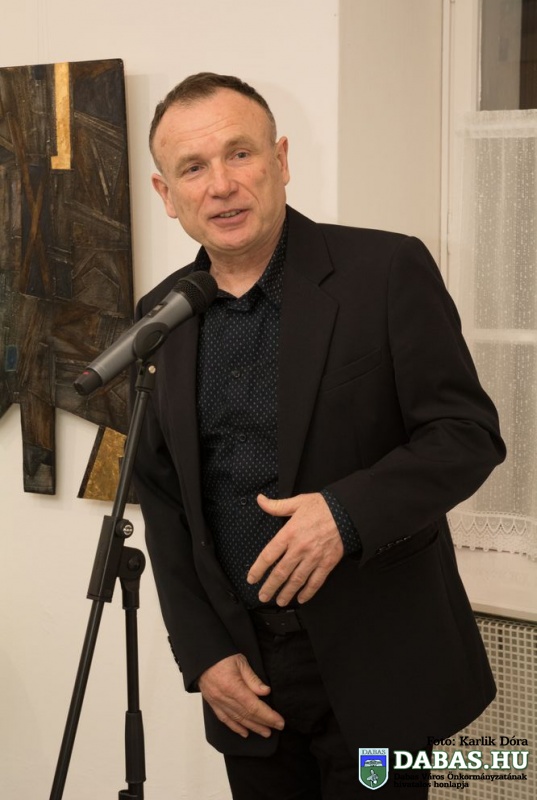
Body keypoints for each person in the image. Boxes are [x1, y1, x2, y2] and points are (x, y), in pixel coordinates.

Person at [132, 72, 506, 799]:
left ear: (280, 160)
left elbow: (465, 434)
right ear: (166, 193)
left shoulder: (385, 270)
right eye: (193, 167)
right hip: (245, 678)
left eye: (239, 154)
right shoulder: (160, 317)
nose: (220, 185)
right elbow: (162, 500)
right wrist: (202, 655)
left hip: (379, 663)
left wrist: (344, 514)